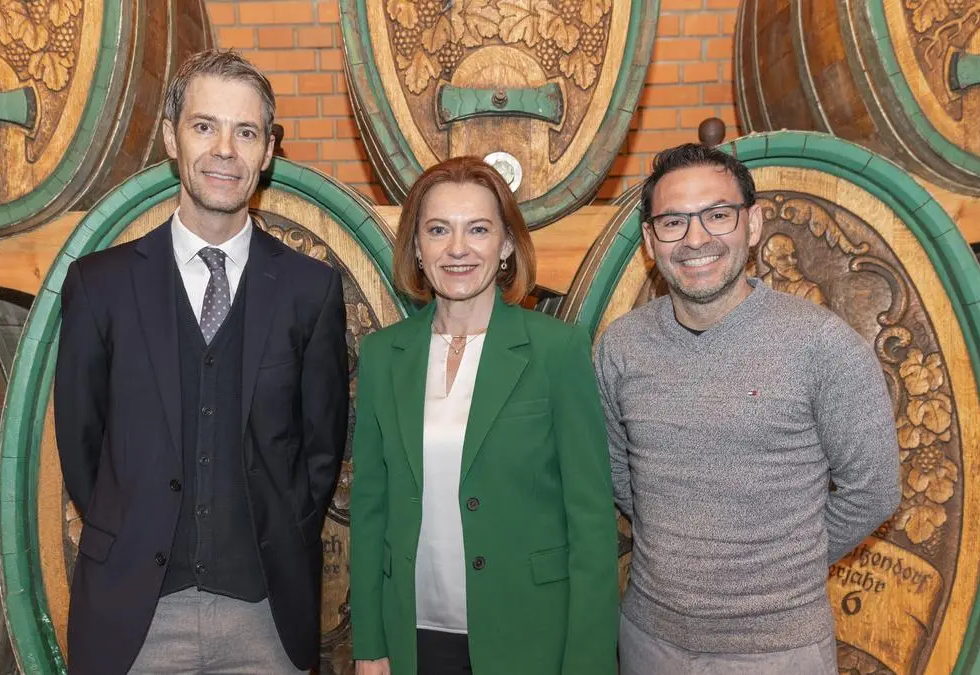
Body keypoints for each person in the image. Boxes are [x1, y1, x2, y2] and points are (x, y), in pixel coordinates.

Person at [54, 49, 349, 675]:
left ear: (267, 151)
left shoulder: (309, 290)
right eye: (204, 125)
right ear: (171, 137)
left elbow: (320, 452)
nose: (225, 149)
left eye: (246, 132)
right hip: (132, 619)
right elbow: (81, 447)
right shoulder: (99, 286)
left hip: (265, 619)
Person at [594, 143, 900, 675]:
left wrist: (784, 564)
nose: (695, 239)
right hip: (650, 640)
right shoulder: (622, 347)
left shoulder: (822, 344)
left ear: (753, 224)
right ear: (650, 240)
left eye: (717, 215)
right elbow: (618, 472)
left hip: (780, 650)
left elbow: (874, 489)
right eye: (672, 222)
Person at [350, 157, 618, 675]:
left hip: (531, 633)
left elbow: (590, 524)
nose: (457, 248)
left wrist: (588, 662)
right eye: (437, 230)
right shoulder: (385, 354)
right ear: (417, 249)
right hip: (413, 635)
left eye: (478, 229)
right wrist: (370, 642)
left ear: (507, 246)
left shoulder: (557, 350)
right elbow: (370, 509)